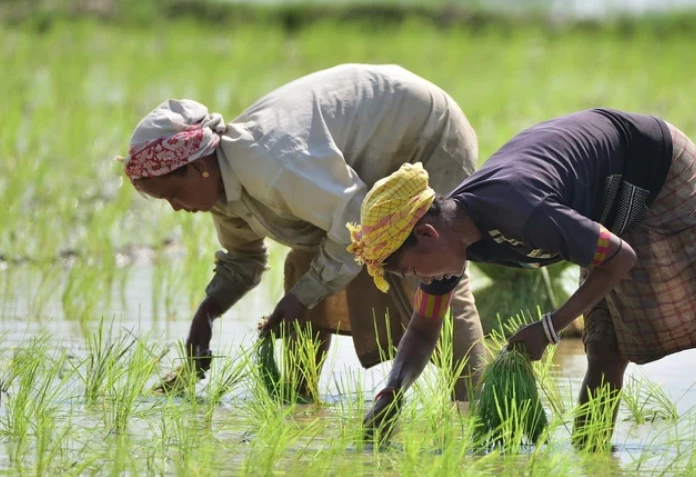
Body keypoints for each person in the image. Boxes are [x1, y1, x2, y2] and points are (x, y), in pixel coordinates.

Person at [350, 108, 696, 448]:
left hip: (658, 169)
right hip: (601, 204)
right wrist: (393, 389)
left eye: (411, 270)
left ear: (426, 234)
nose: (418, 280)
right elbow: (426, 327)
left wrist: (549, 328)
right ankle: (593, 462)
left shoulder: (517, 210)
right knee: (605, 346)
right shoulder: (451, 242)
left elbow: (620, 257)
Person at [118, 64, 486, 401]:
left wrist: (300, 298)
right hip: (363, 166)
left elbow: (354, 225)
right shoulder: (222, 190)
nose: (177, 207)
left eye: (173, 194)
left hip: (423, 134)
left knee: (434, 278)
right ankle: (299, 401)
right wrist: (207, 314)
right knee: (304, 269)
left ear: (198, 167)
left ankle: (478, 410)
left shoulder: (269, 164)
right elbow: (244, 260)